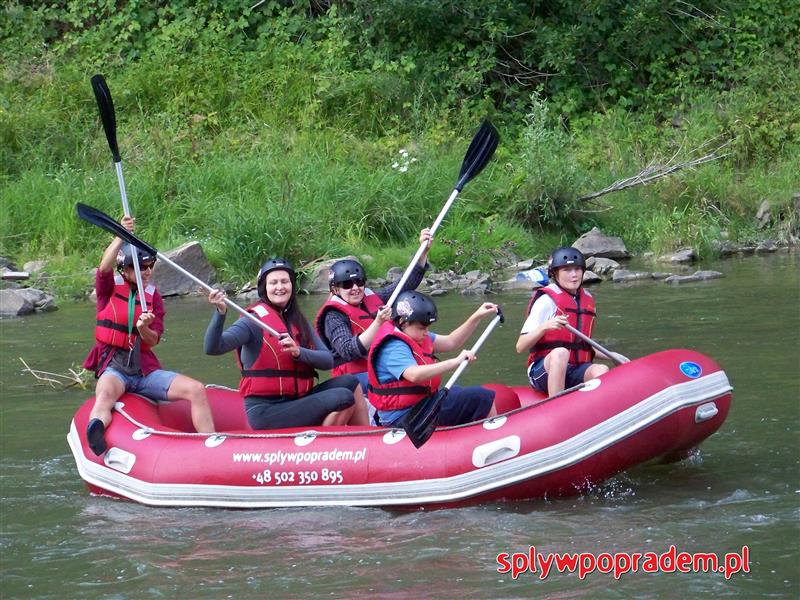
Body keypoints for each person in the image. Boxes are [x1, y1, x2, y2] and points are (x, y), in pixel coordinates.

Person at [82, 216, 215, 456]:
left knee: (196, 389)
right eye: (141, 267)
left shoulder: (153, 298)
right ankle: (96, 435)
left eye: (150, 266)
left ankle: (212, 447)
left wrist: (143, 328)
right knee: (104, 395)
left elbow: (153, 341)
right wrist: (121, 235)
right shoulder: (108, 290)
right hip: (115, 368)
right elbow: (103, 268)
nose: (148, 271)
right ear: (126, 269)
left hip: (145, 372)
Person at [205, 257, 369, 429]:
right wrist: (220, 312)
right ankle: (321, 447)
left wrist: (299, 352)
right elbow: (213, 348)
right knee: (342, 398)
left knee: (350, 382)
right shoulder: (252, 322)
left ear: (291, 285)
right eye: (273, 283)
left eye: (285, 281)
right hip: (266, 410)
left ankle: (368, 438)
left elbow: (327, 361)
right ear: (264, 287)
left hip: (298, 399)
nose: (280, 287)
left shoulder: (297, 320)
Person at [314, 228, 433, 404]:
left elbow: (404, 286)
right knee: (409, 382)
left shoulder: (372, 297)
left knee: (421, 377)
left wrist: (422, 253)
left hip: (381, 370)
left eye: (359, 282)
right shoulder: (333, 316)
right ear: (335, 289)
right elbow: (348, 350)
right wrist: (377, 323)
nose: (355, 288)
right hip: (354, 380)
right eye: (347, 284)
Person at [367, 290, 498, 427]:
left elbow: (451, 341)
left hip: (420, 404)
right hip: (403, 416)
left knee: (459, 391)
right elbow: (414, 375)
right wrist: (455, 362)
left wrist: (476, 317)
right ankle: (495, 439)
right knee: (482, 397)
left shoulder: (414, 334)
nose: (426, 332)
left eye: (427, 327)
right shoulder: (393, 346)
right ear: (402, 322)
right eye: (422, 327)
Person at [516, 246, 616, 397]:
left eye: (577, 269)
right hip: (542, 371)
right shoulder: (546, 301)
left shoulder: (587, 300)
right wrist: (544, 327)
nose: (574, 275)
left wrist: (612, 355)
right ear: (555, 273)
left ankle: (595, 411)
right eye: (567, 270)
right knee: (561, 353)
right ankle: (556, 406)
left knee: (601, 369)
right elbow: (520, 346)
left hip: (575, 369)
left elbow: (583, 346)